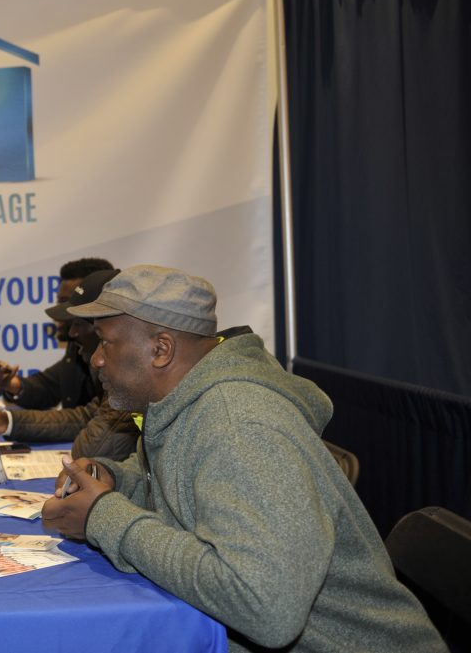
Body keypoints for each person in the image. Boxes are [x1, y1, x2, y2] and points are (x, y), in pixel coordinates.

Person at [42, 265, 445, 652]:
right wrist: (113, 479)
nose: (95, 359)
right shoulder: (180, 406)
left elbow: (266, 608)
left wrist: (104, 516)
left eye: (106, 342)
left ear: (160, 349)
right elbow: (177, 492)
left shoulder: (239, 425)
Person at [0, 269, 141, 460]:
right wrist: (8, 420)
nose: (71, 332)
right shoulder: (79, 352)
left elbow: (91, 450)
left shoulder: (133, 375)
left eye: (78, 323)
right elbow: (87, 415)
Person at [0, 257, 114, 409]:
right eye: (59, 301)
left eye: (67, 303)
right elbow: (49, 387)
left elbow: (87, 419)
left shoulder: (118, 357)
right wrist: (11, 383)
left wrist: (8, 422)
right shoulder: (77, 347)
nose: (57, 313)